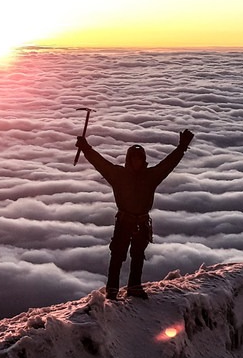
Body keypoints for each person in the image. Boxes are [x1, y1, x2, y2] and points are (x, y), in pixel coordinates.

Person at [76, 128, 194, 300]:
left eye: (140, 159)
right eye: (134, 159)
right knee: (117, 255)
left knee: (137, 256)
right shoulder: (119, 175)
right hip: (125, 221)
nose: (137, 162)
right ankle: (112, 290)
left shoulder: (150, 176)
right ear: (129, 160)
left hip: (141, 222)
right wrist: (86, 149)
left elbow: (168, 164)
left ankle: (134, 288)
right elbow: (100, 163)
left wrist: (181, 148)